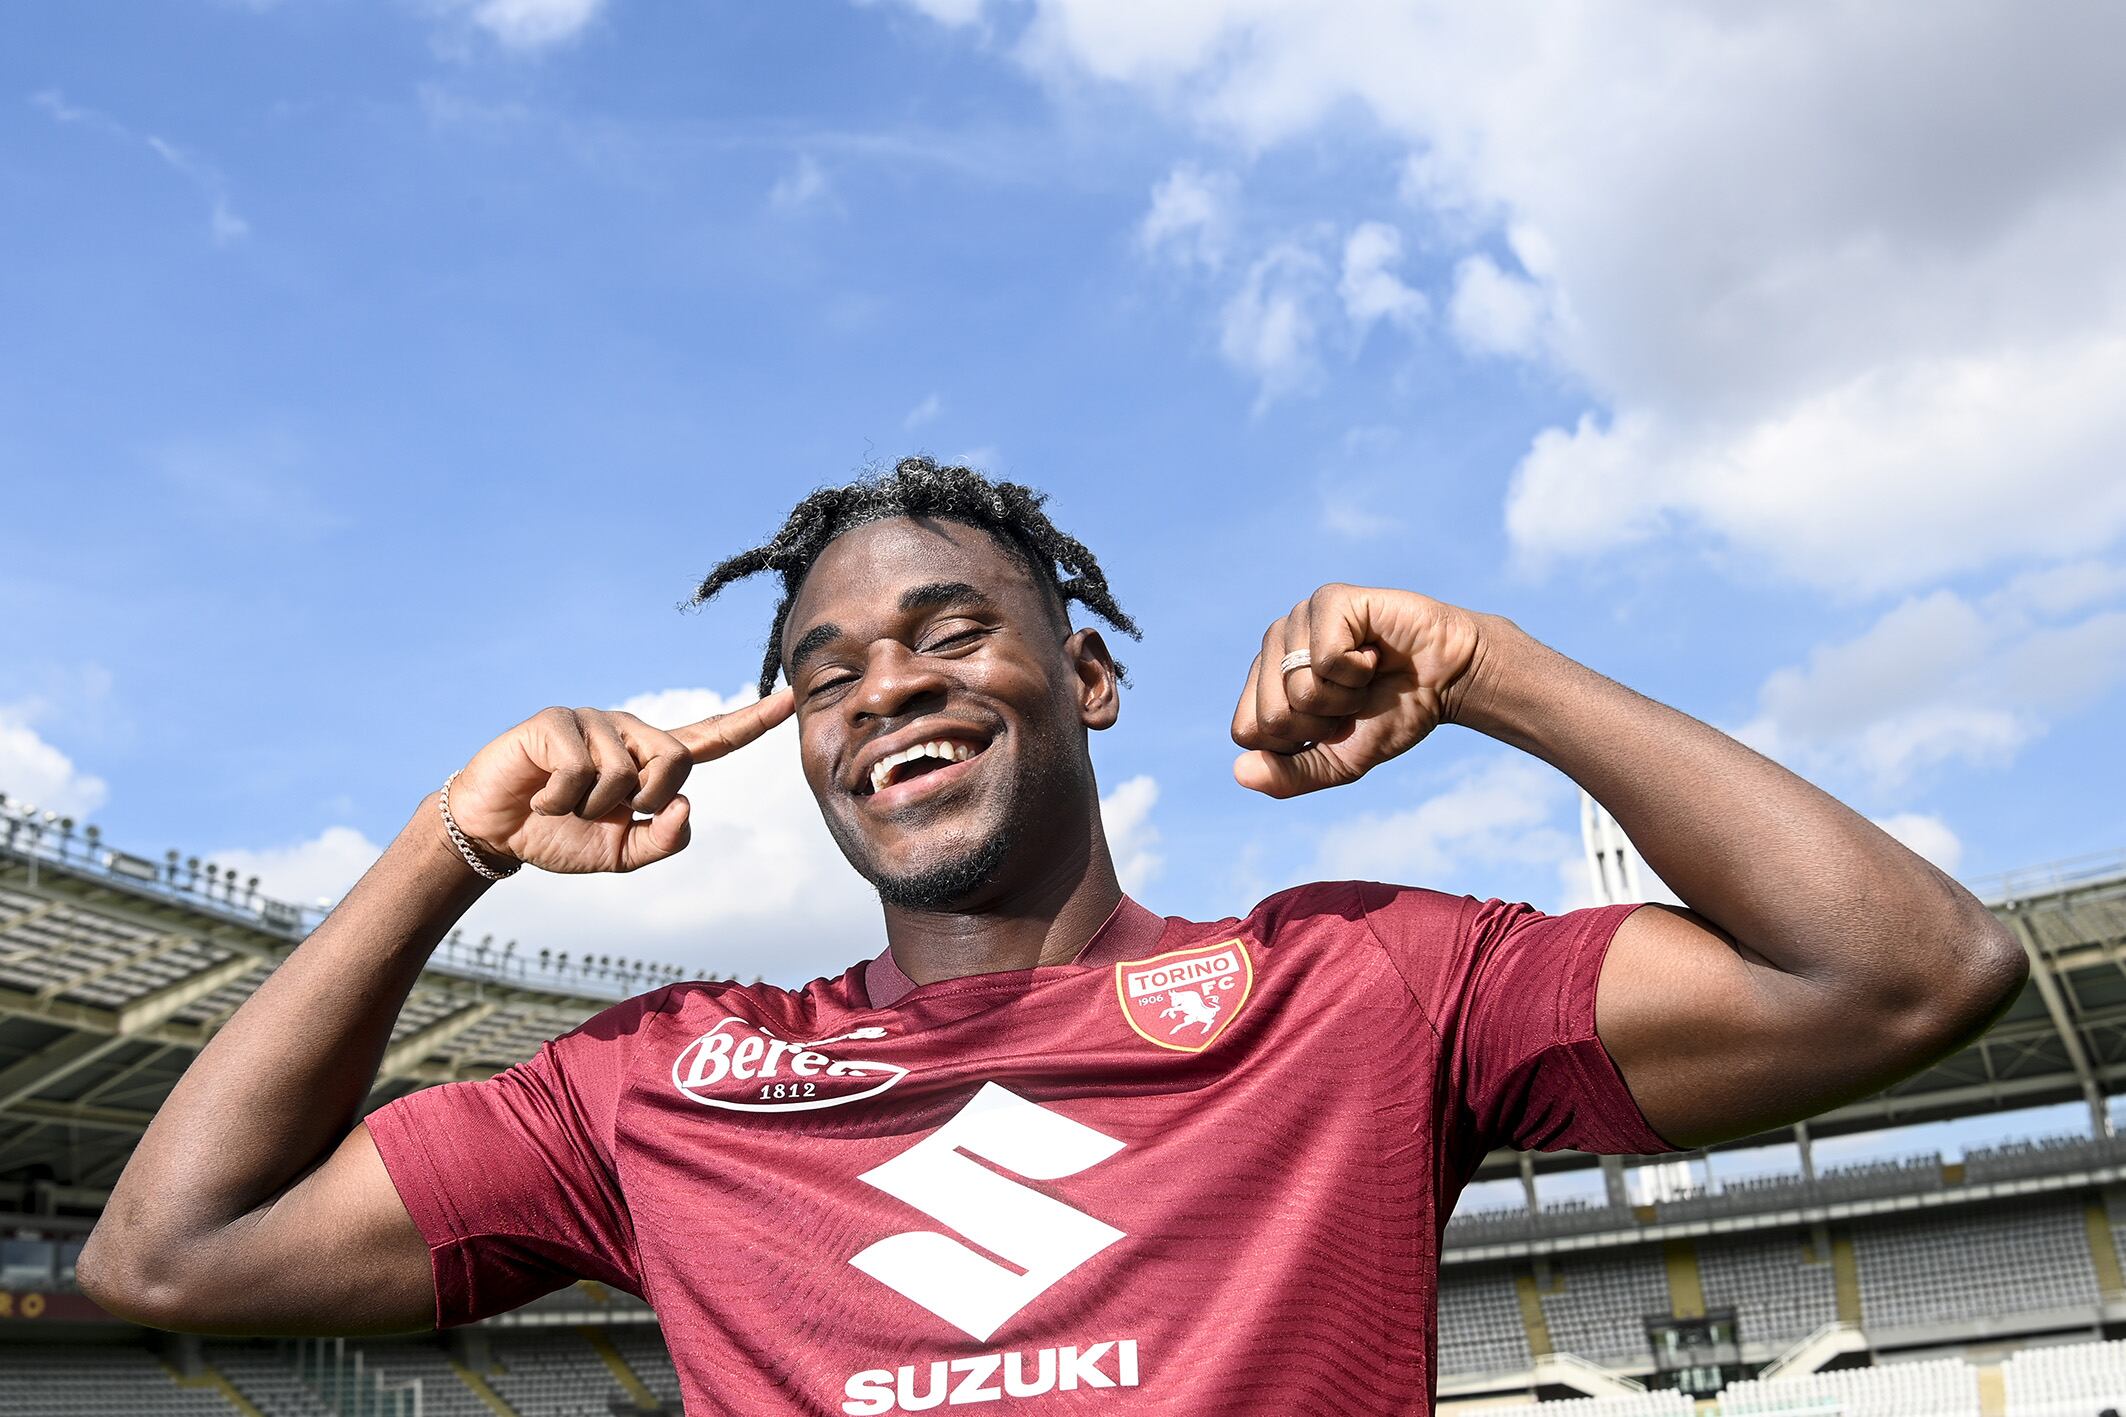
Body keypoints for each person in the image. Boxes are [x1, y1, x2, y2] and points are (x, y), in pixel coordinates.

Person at [80, 459, 2025, 1415]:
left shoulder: (1357, 986)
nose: (885, 690)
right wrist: (448, 847)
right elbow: (175, 1249)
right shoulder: (654, 1080)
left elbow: (1904, 970)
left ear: (1085, 675)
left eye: (947, 629)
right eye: (823, 669)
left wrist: (1493, 671)